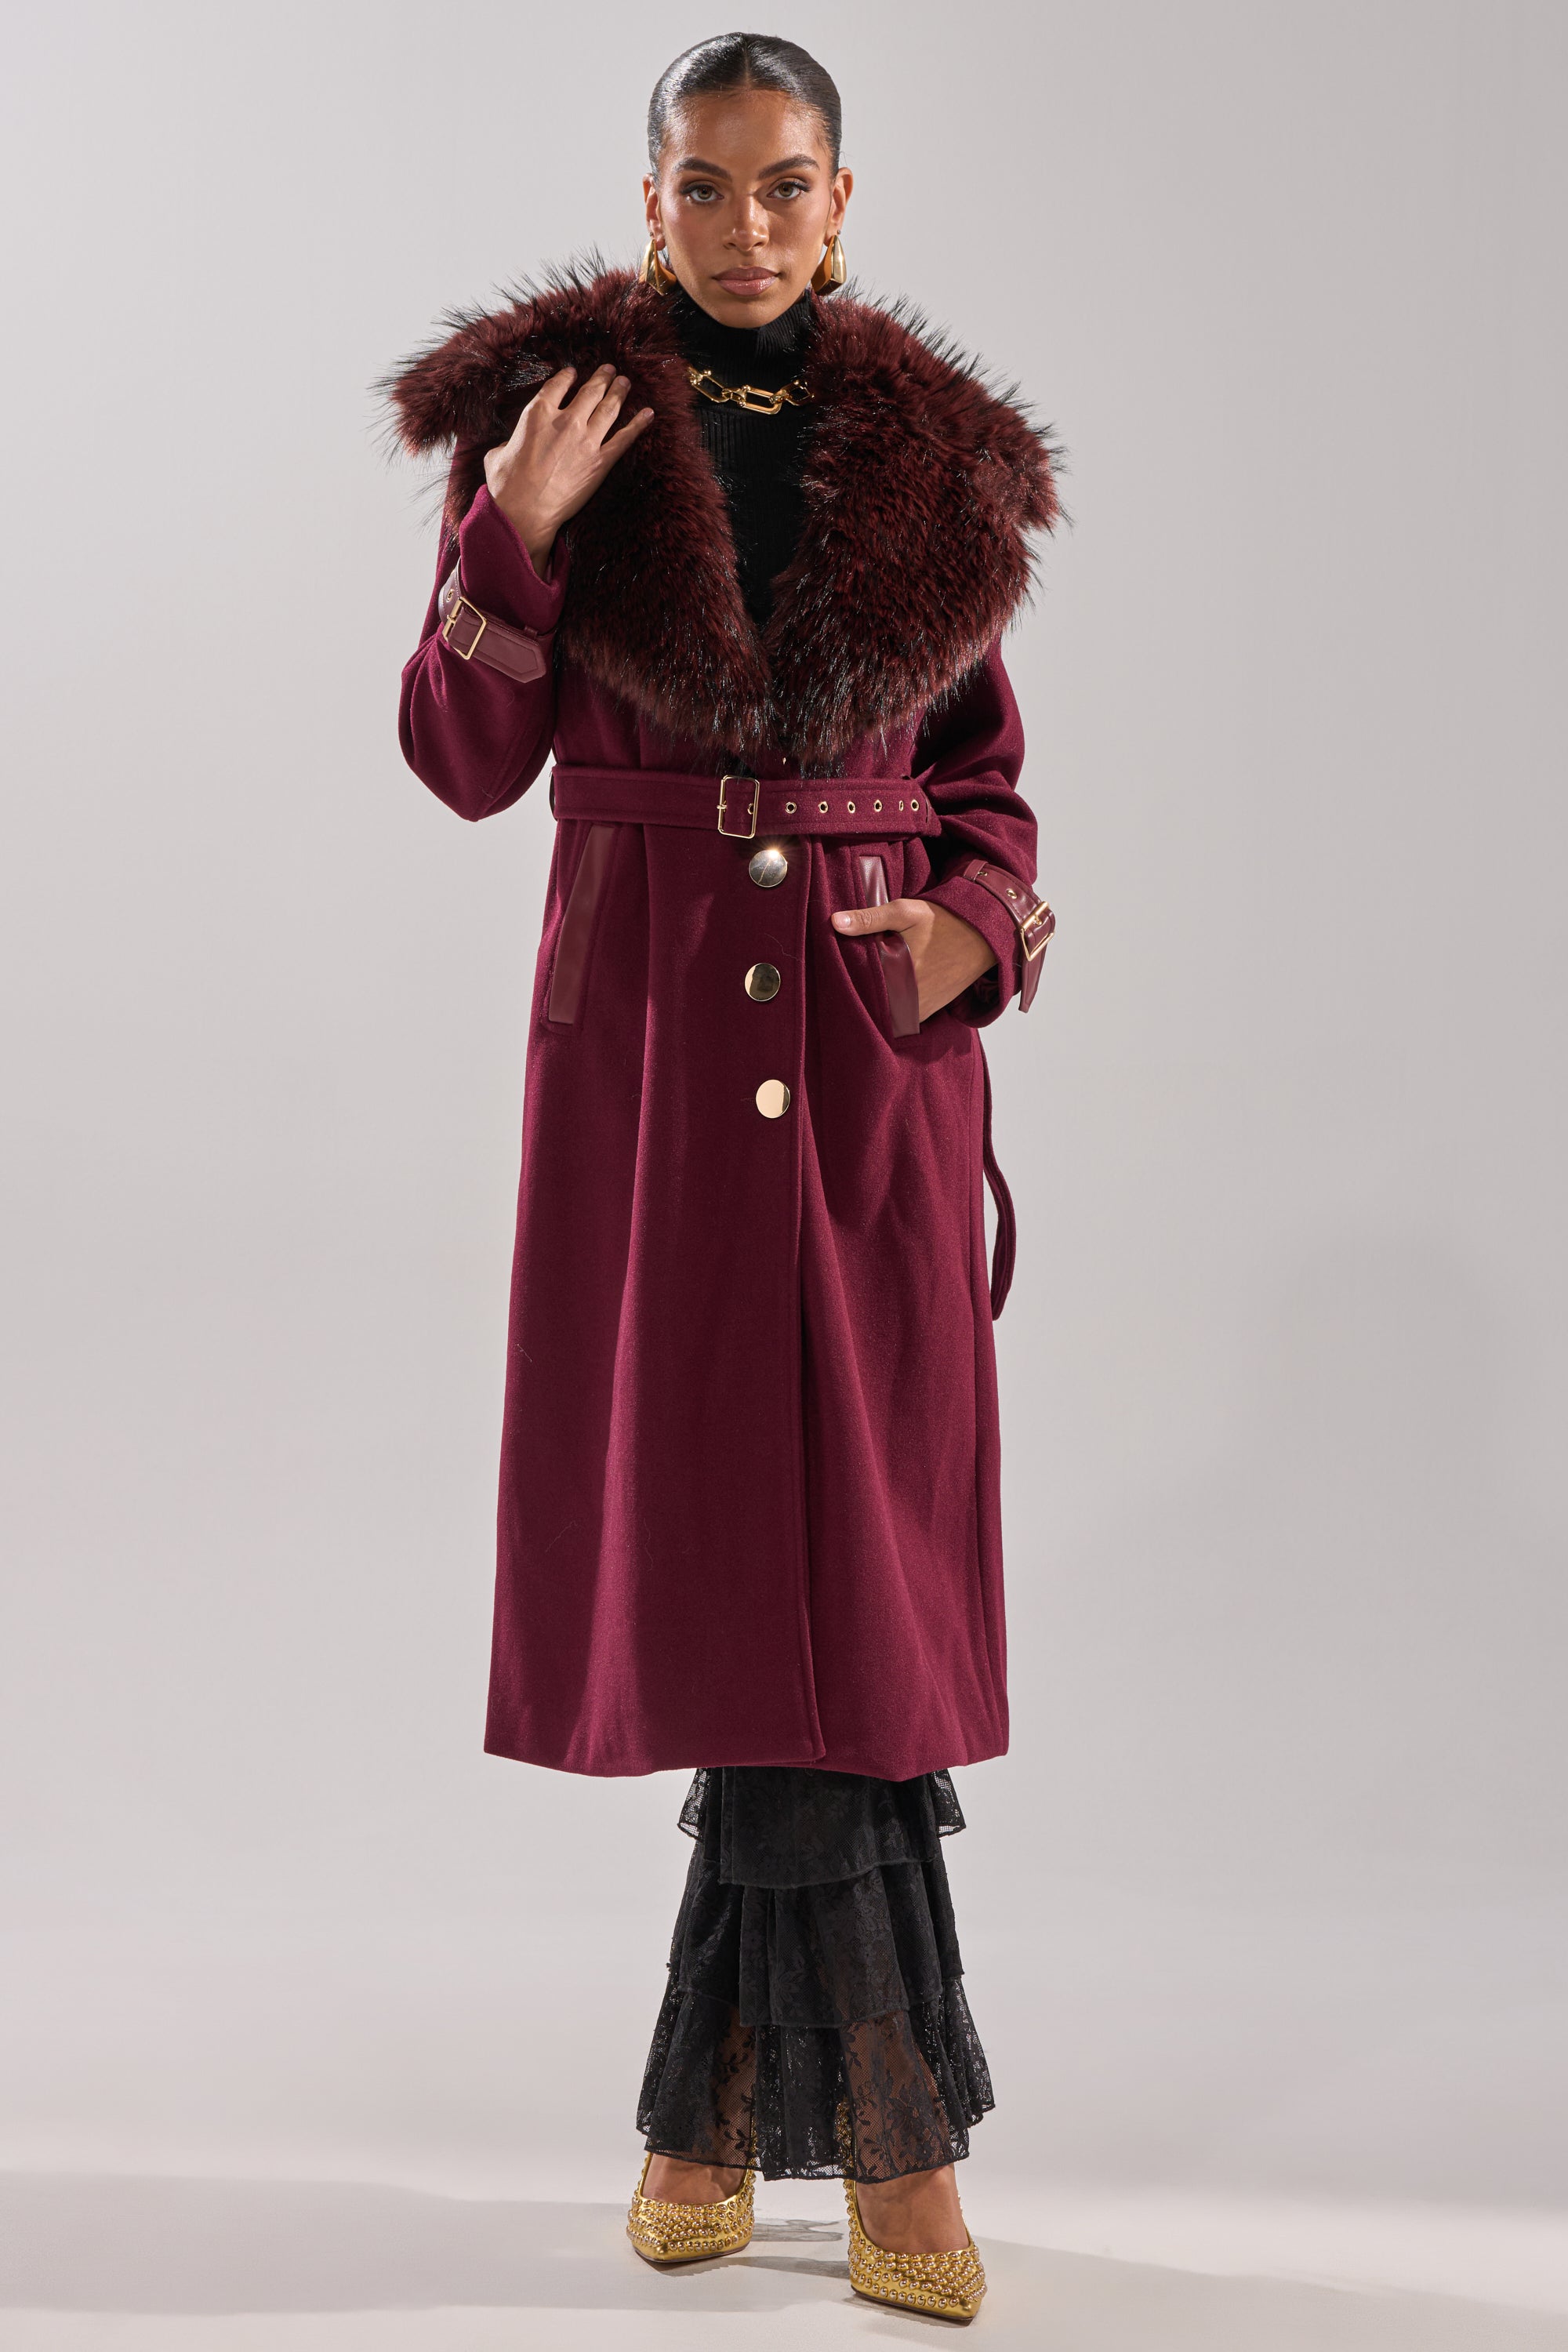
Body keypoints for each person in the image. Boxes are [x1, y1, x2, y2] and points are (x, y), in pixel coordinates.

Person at [385, 31, 1058, 2325]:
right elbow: (459, 760)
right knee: (745, 1569)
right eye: (706, 183)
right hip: (659, 1061)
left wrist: (971, 931)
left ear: (843, 201)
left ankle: (742, 2118)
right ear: (649, 193)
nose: (747, 225)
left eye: (787, 185)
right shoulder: (553, 422)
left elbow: (988, 781)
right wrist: (514, 526)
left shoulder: (936, 467)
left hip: (870, 1062)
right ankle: (878, 2143)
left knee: (846, 1574)